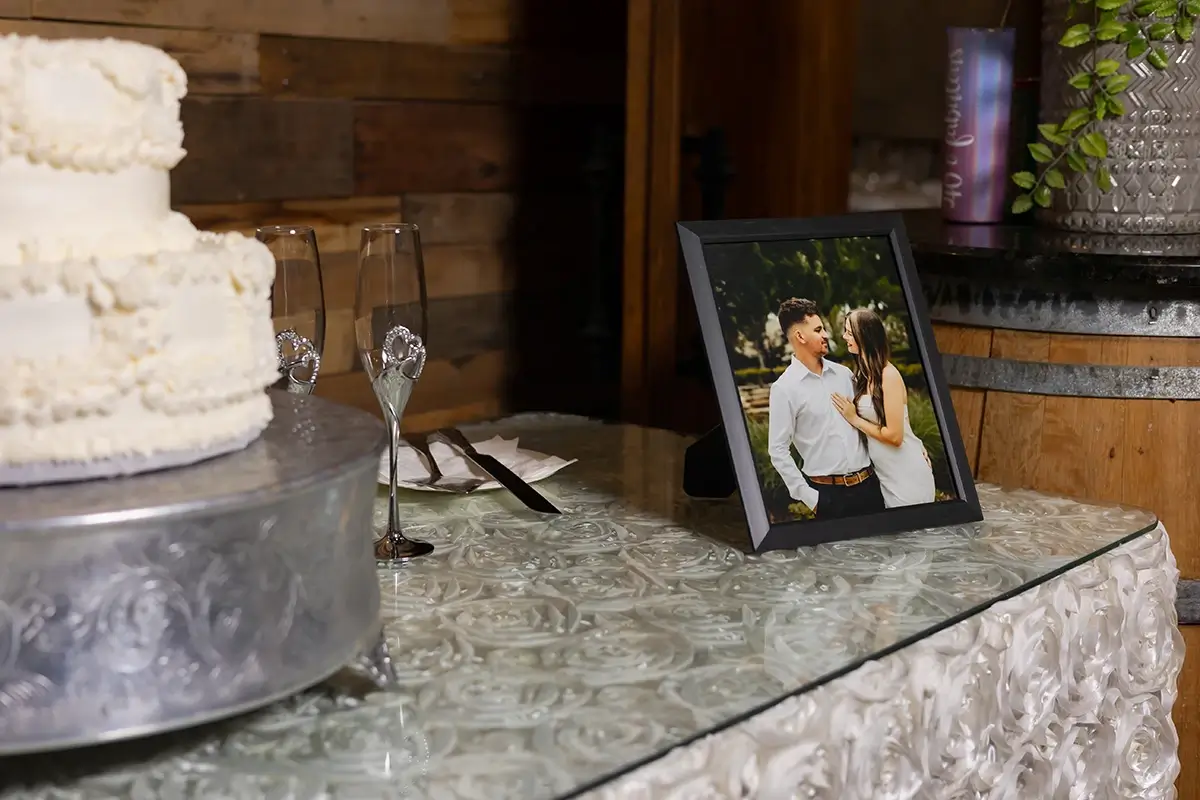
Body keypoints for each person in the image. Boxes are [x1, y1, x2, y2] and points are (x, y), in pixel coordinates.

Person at [766, 298, 886, 520]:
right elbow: (778, 450)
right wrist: (811, 498)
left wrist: (908, 448)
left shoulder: (845, 375)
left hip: (870, 488)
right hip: (829, 498)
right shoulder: (784, 389)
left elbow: (873, 419)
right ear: (800, 336)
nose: (826, 335)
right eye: (819, 330)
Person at [831, 307, 937, 508]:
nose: (844, 337)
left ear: (865, 337)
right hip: (886, 477)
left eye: (849, 333)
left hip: (906, 474)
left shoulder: (888, 376)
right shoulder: (863, 376)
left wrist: (855, 419)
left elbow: (895, 437)